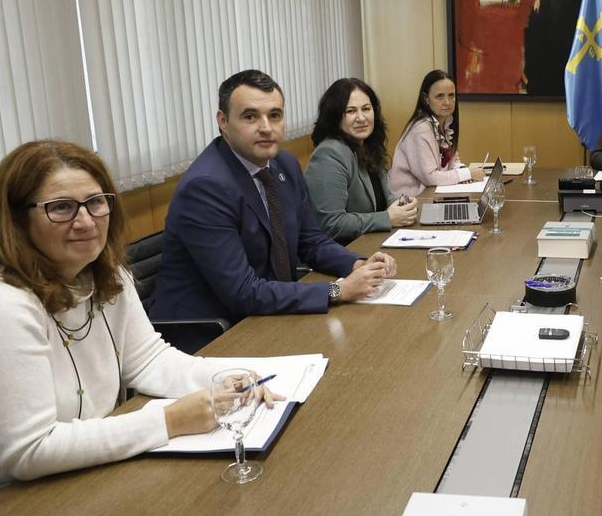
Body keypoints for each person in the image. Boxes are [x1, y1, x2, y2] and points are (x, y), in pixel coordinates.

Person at [0, 140, 281, 510]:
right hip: (0, 507)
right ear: (15, 219)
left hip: (84, 475)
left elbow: (148, 361)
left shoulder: (107, 276)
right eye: (61, 208)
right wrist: (169, 421)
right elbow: (30, 450)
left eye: (95, 202)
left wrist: (228, 376)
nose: (86, 221)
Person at [149, 70, 396, 325]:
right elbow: (242, 292)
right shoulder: (206, 188)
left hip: (268, 313)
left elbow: (311, 241)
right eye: (250, 116)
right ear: (223, 121)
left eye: (275, 115)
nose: (266, 128)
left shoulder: (284, 165)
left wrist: (358, 265)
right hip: (212, 332)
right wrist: (337, 290)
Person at [305, 77, 418, 243]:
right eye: (350, 111)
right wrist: (387, 218)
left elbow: (384, 197)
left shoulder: (367, 146)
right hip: (345, 253)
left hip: (374, 242)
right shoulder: (329, 154)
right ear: (334, 116)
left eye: (366, 109)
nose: (361, 118)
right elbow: (330, 224)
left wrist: (404, 204)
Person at [389, 70, 484, 197]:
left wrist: (463, 171)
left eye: (451, 95)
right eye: (440, 96)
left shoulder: (444, 123)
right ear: (426, 98)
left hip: (431, 194)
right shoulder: (420, 129)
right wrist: (467, 174)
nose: (447, 102)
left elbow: (453, 160)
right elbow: (430, 177)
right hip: (410, 201)